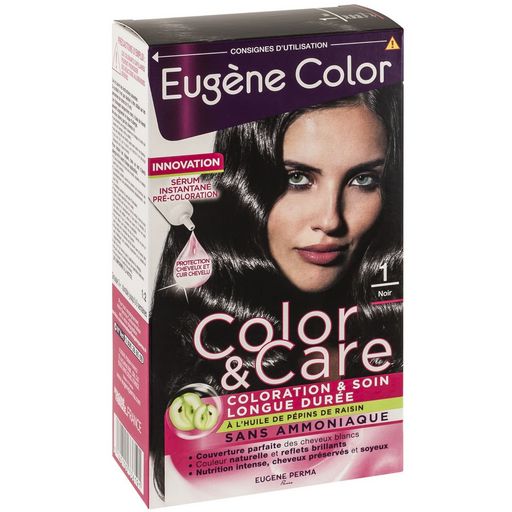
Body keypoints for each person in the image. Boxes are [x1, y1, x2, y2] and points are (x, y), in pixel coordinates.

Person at [149, 83, 403, 498]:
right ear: (243, 186)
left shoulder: (396, 338)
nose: (330, 220)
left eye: (363, 179)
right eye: (297, 178)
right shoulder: (184, 347)